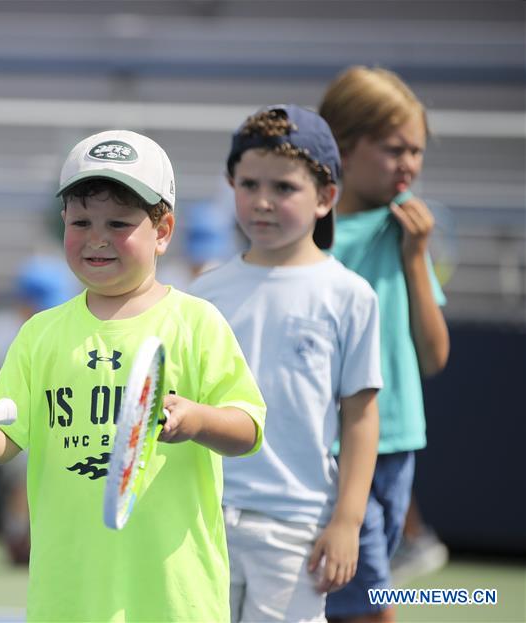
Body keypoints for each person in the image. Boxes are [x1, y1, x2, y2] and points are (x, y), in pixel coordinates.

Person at [0, 129, 267, 622]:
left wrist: (196, 419)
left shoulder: (198, 323)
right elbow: (8, 439)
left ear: (164, 231)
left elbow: (248, 429)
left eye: (120, 222)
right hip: (68, 595)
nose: (97, 238)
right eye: (81, 220)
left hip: (175, 596)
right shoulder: (39, 334)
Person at [191, 105, 381, 622]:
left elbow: (361, 419)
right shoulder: (203, 292)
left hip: (297, 525)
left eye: (284, 188)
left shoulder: (350, 296)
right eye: (249, 184)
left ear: (326, 198)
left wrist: (346, 521)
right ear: (230, 184)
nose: (263, 202)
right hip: (200, 518)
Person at [319, 66, 450, 622]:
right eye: (395, 149)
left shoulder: (406, 230)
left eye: (417, 151)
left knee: (351, 601)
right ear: (346, 147)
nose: (410, 165)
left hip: (399, 445)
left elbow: (434, 355)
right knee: (373, 604)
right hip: (335, 449)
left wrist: (416, 257)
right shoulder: (310, 239)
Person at [0, 255, 76, 565]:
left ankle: (32, 536)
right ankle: (17, 537)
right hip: (12, 422)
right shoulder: (6, 327)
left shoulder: (59, 326)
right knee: (24, 481)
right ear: (24, 301)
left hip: (53, 422)